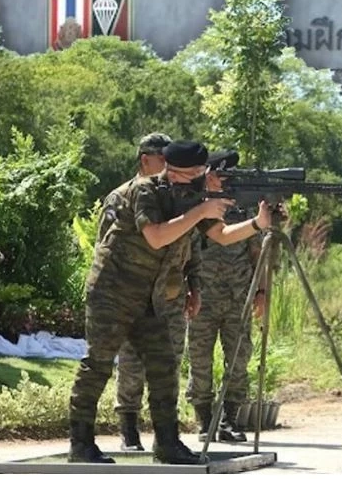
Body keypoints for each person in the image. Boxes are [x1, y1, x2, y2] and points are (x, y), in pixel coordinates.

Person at [68, 140, 272, 464]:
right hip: (113, 292)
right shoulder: (145, 190)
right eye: (196, 173)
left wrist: (258, 224)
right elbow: (157, 236)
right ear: (175, 171)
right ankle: (80, 445)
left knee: (164, 367)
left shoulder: (190, 198)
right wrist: (201, 209)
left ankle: (167, 445)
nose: (199, 179)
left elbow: (221, 235)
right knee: (98, 365)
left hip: (149, 297)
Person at [109, 133, 202, 452]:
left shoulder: (179, 198)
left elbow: (191, 246)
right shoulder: (121, 196)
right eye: (161, 159)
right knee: (132, 364)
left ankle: (166, 434)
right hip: (134, 297)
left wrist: (195, 287)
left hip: (170, 297)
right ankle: (129, 430)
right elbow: (107, 250)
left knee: (170, 365)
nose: (167, 165)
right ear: (144, 160)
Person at [186, 150, 267, 443]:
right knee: (200, 360)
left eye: (229, 177)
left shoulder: (243, 210)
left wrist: (261, 291)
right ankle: (205, 420)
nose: (226, 181)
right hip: (202, 297)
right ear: (208, 175)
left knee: (238, 360)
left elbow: (258, 253)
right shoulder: (194, 208)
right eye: (221, 175)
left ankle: (230, 420)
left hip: (237, 298)